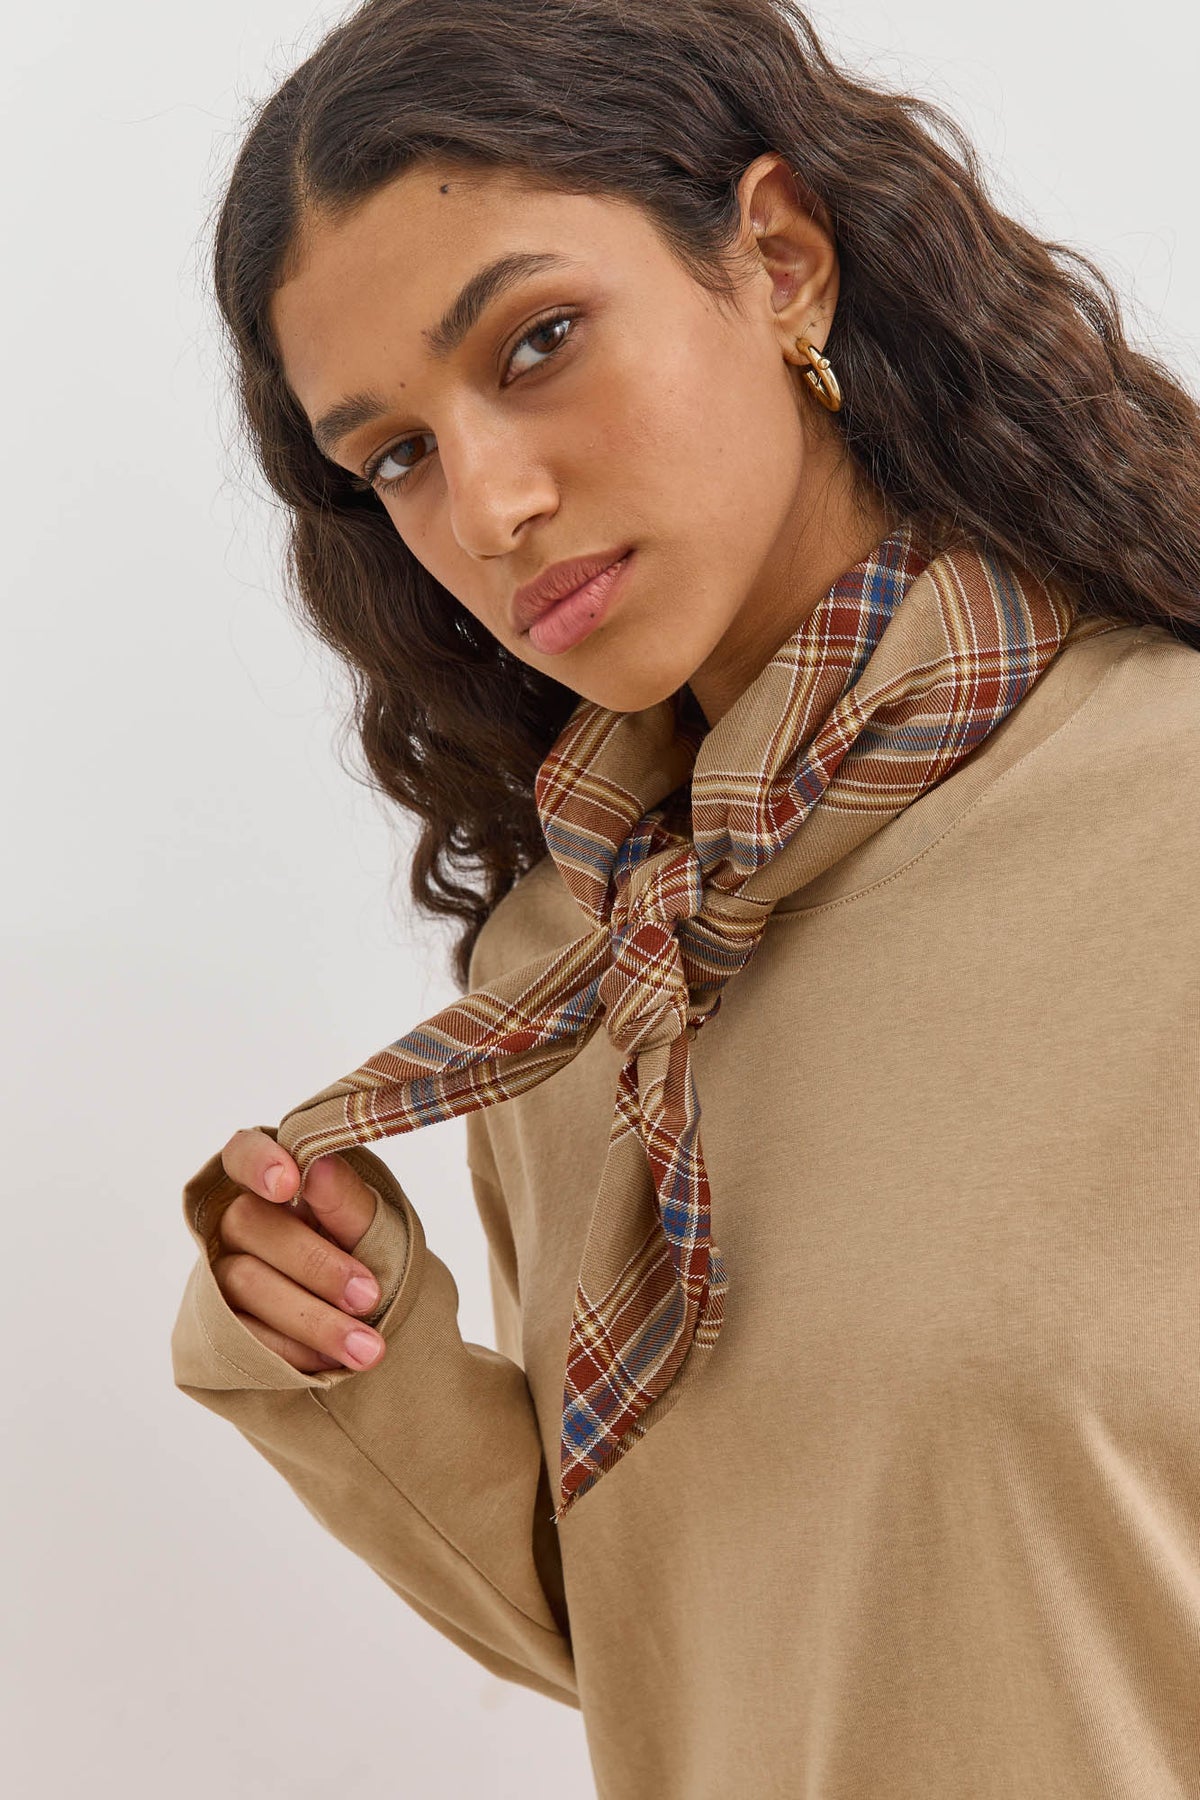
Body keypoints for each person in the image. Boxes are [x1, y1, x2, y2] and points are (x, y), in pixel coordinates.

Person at [170, 0, 1200, 1793]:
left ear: (780, 261)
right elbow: (706, 1634)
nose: (488, 504)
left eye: (537, 341)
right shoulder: (579, 973)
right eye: (396, 455)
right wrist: (349, 1345)